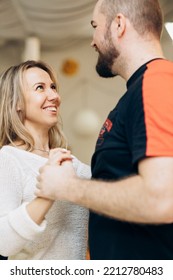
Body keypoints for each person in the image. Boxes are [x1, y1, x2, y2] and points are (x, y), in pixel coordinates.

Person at [35, 0, 173, 260]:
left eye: (95, 26)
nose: (92, 41)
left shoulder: (155, 83)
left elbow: (162, 199)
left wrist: (68, 187)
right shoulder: (140, 90)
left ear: (119, 24)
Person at [0, 60, 91, 260]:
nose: (54, 96)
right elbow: (3, 243)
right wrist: (49, 193)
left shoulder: (73, 165)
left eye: (53, 87)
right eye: (40, 88)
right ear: (16, 103)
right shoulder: (8, 160)